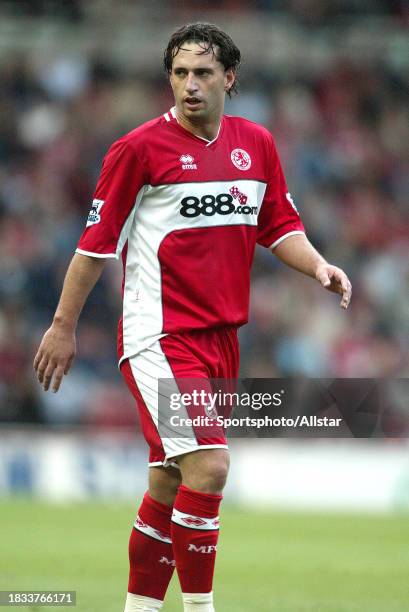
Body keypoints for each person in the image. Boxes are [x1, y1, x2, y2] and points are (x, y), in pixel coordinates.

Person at [33, 22, 352, 612]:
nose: (189, 85)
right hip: (160, 336)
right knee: (209, 464)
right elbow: (94, 246)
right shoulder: (137, 150)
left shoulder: (255, 144)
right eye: (179, 73)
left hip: (220, 340)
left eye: (203, 73)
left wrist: (318, 267)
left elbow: (278, 226)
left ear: (229, 78)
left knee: (170, 481)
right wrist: (62, 325)